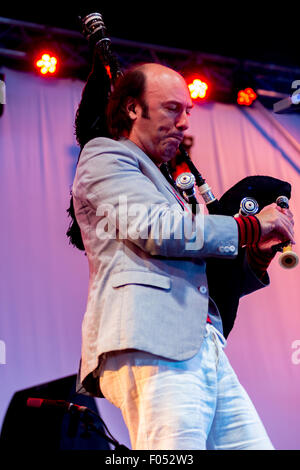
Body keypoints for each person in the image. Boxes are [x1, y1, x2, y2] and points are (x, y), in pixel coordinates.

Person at [72, 63, 294, 450]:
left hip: (201, 345)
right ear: (132, 109)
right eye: (173, 109)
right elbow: (159, 231)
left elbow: (203, 276)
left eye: (188, 111)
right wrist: (251, 226)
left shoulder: (164, 182)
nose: (185, 121)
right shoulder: (106, 156)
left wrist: (254, 257)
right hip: (153, 343)